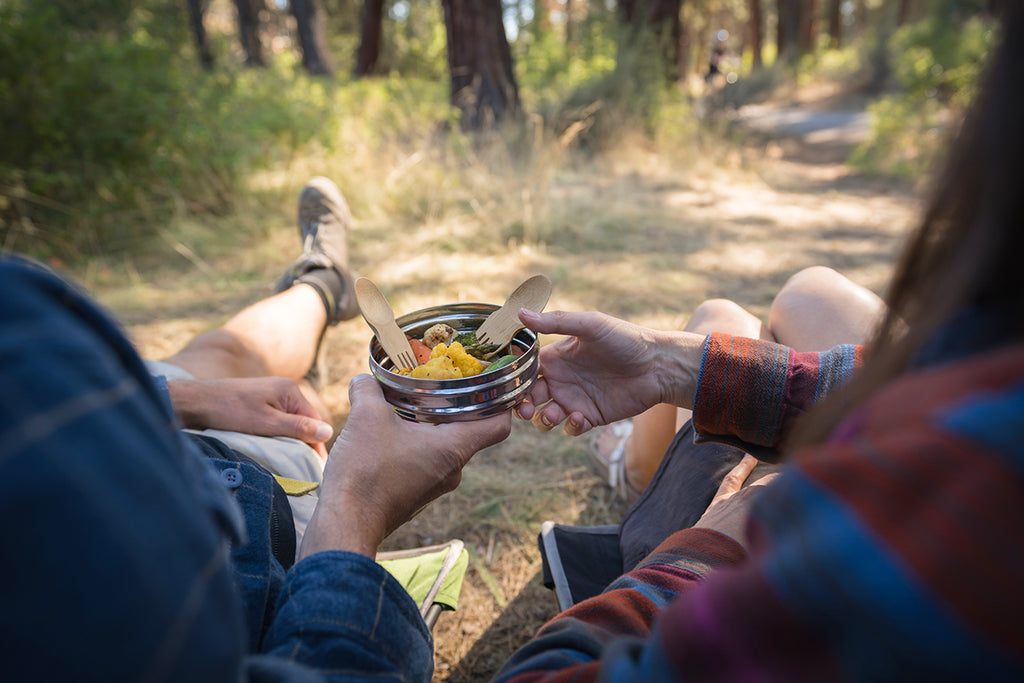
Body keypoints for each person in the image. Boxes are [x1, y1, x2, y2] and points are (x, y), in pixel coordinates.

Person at [495, 5, 1024, 680]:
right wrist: (668, 363)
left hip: (725, 556)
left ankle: (632, 464)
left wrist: (713, 541)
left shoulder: (943, 517)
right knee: (805, 294)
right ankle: (640, 444)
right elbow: (900, 375)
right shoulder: (988, 385)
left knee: (720, 315)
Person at [0, 177, 511, 681]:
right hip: (274, 511)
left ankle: (321, 279)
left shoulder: (19, 308)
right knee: (272, 412)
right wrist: (356, 510)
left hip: (178, 430)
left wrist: (183, 400)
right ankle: (314, 307)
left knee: (214, 356)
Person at [588, 266, 885, 503]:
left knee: (720, 319)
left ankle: (642, 476)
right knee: (813, 291)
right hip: (910, 445)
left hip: (879, 523)